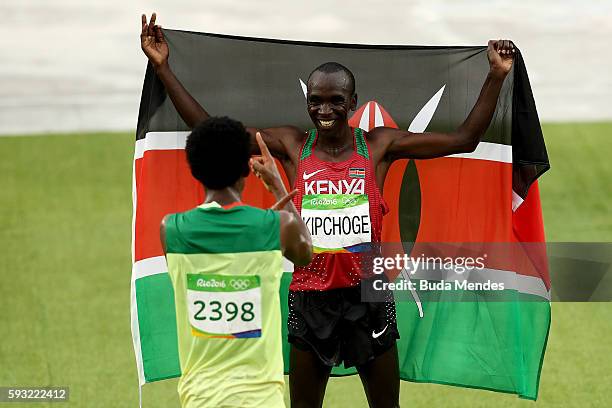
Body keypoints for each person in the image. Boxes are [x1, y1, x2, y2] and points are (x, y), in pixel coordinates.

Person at [142, 12, 516, 408]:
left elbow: (465, 139)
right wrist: (163, 67)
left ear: (352, 102)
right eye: (315, 101)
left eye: (336, 101)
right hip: (310, 297)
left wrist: (495, 75)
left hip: (369, 296)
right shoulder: (290, 144)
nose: (325, 110)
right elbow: (211, 131)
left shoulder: (378, 146)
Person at [160, 116, 312, 407]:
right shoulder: (277, 227)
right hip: (261, 399)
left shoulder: (172, 230)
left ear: (194, 169)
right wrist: (278, 187)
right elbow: (305, 253)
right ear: (246, 167)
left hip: (200, 398)